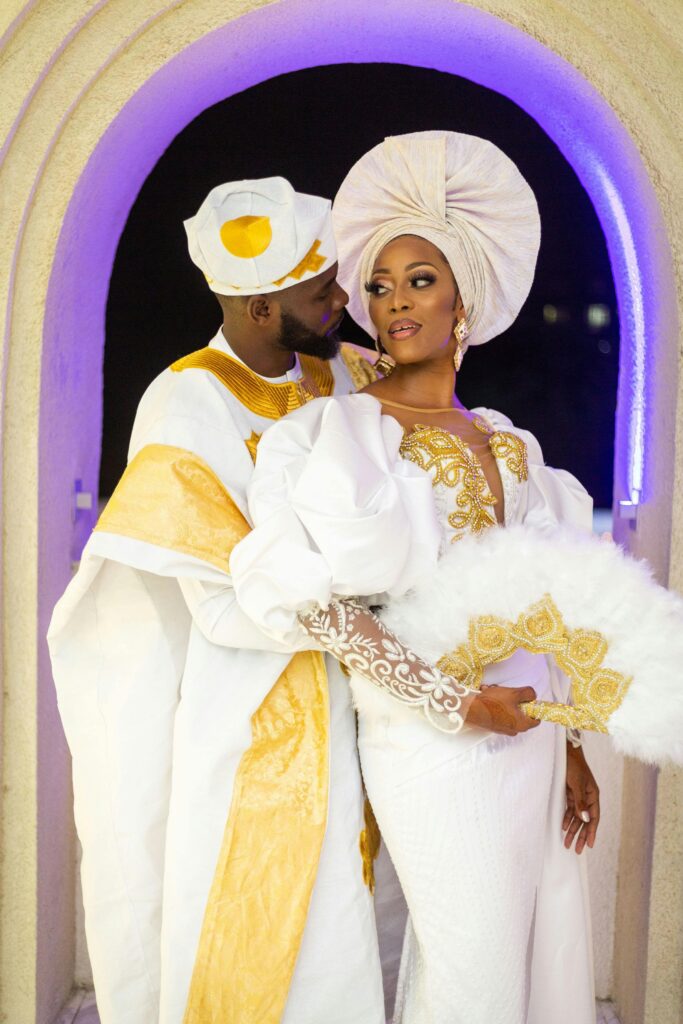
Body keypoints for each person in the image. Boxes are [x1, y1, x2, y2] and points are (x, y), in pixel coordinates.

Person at [227, 133, 601, 1024]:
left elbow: (547, 601)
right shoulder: (337, 435)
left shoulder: (514, 443)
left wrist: (575, 743)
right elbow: (319, 604)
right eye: (380, 285)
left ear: (463, 298)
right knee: (470, 968)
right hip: (431, 744)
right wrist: (454, 705)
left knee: (531, 955)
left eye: (419, 279)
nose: (393, 300)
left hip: (533, 739)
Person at [47, 177, 387, 1024]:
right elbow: (219, 596)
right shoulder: (184, 401)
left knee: (355, 915)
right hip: (250, 705)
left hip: (364, 693)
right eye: (322, 291)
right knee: (257, 915)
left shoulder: (344, 374)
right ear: (262, 310)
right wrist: (336, 601)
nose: (344, 300)